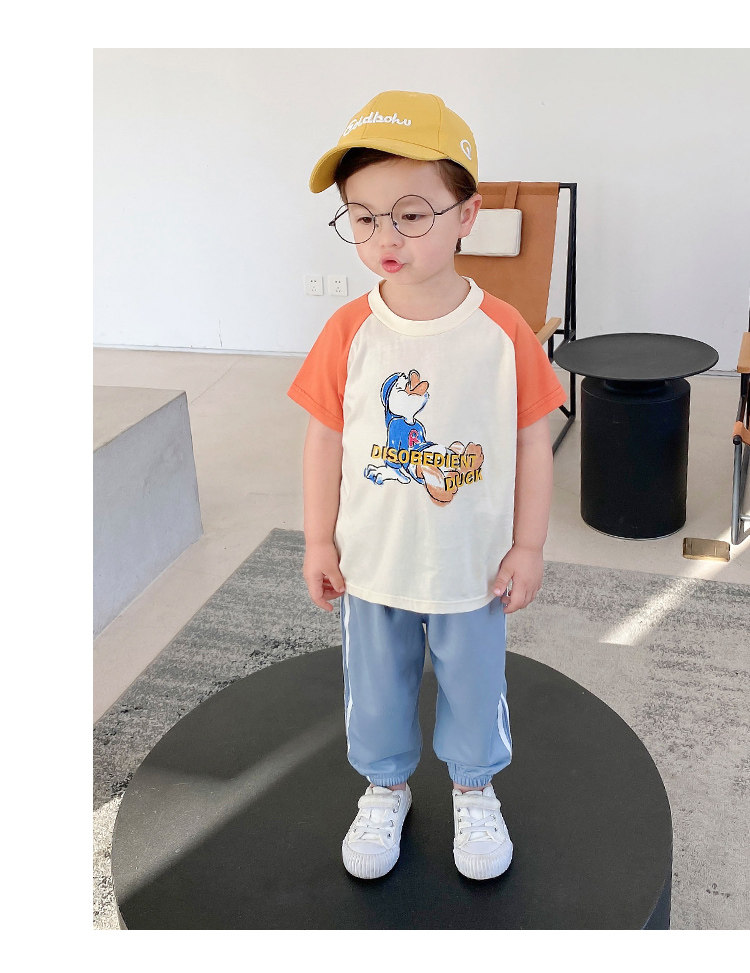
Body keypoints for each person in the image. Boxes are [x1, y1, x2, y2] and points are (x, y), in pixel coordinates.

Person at [288, 90, 566, 881]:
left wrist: (528, 545)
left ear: (467, 213)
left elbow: (532, 440)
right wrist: (317, 539)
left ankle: (474, 787)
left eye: (411, 215)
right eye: (363, 217)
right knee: (375, 687)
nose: (386, 236)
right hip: (373, 561)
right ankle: (385, 786)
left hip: (471, 564)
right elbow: (324, 438)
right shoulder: (349, 330)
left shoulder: (502, 331)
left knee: (474, 683)